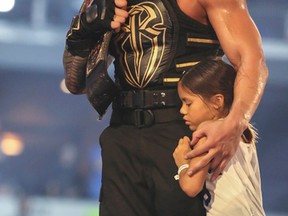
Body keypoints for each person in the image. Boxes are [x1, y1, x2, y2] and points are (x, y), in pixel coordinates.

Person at [62, 0, 268, 215]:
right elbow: (76, 83)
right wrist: (82, 31)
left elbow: (252, 60)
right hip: (122, 134)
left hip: (184, 133)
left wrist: (234, 124)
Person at [173, 59, 265, 216]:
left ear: (217, 101)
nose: (182, 110)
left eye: (188, 103)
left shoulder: (208, 133)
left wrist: (182, 162)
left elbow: (191, 187)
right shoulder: (243, 131)